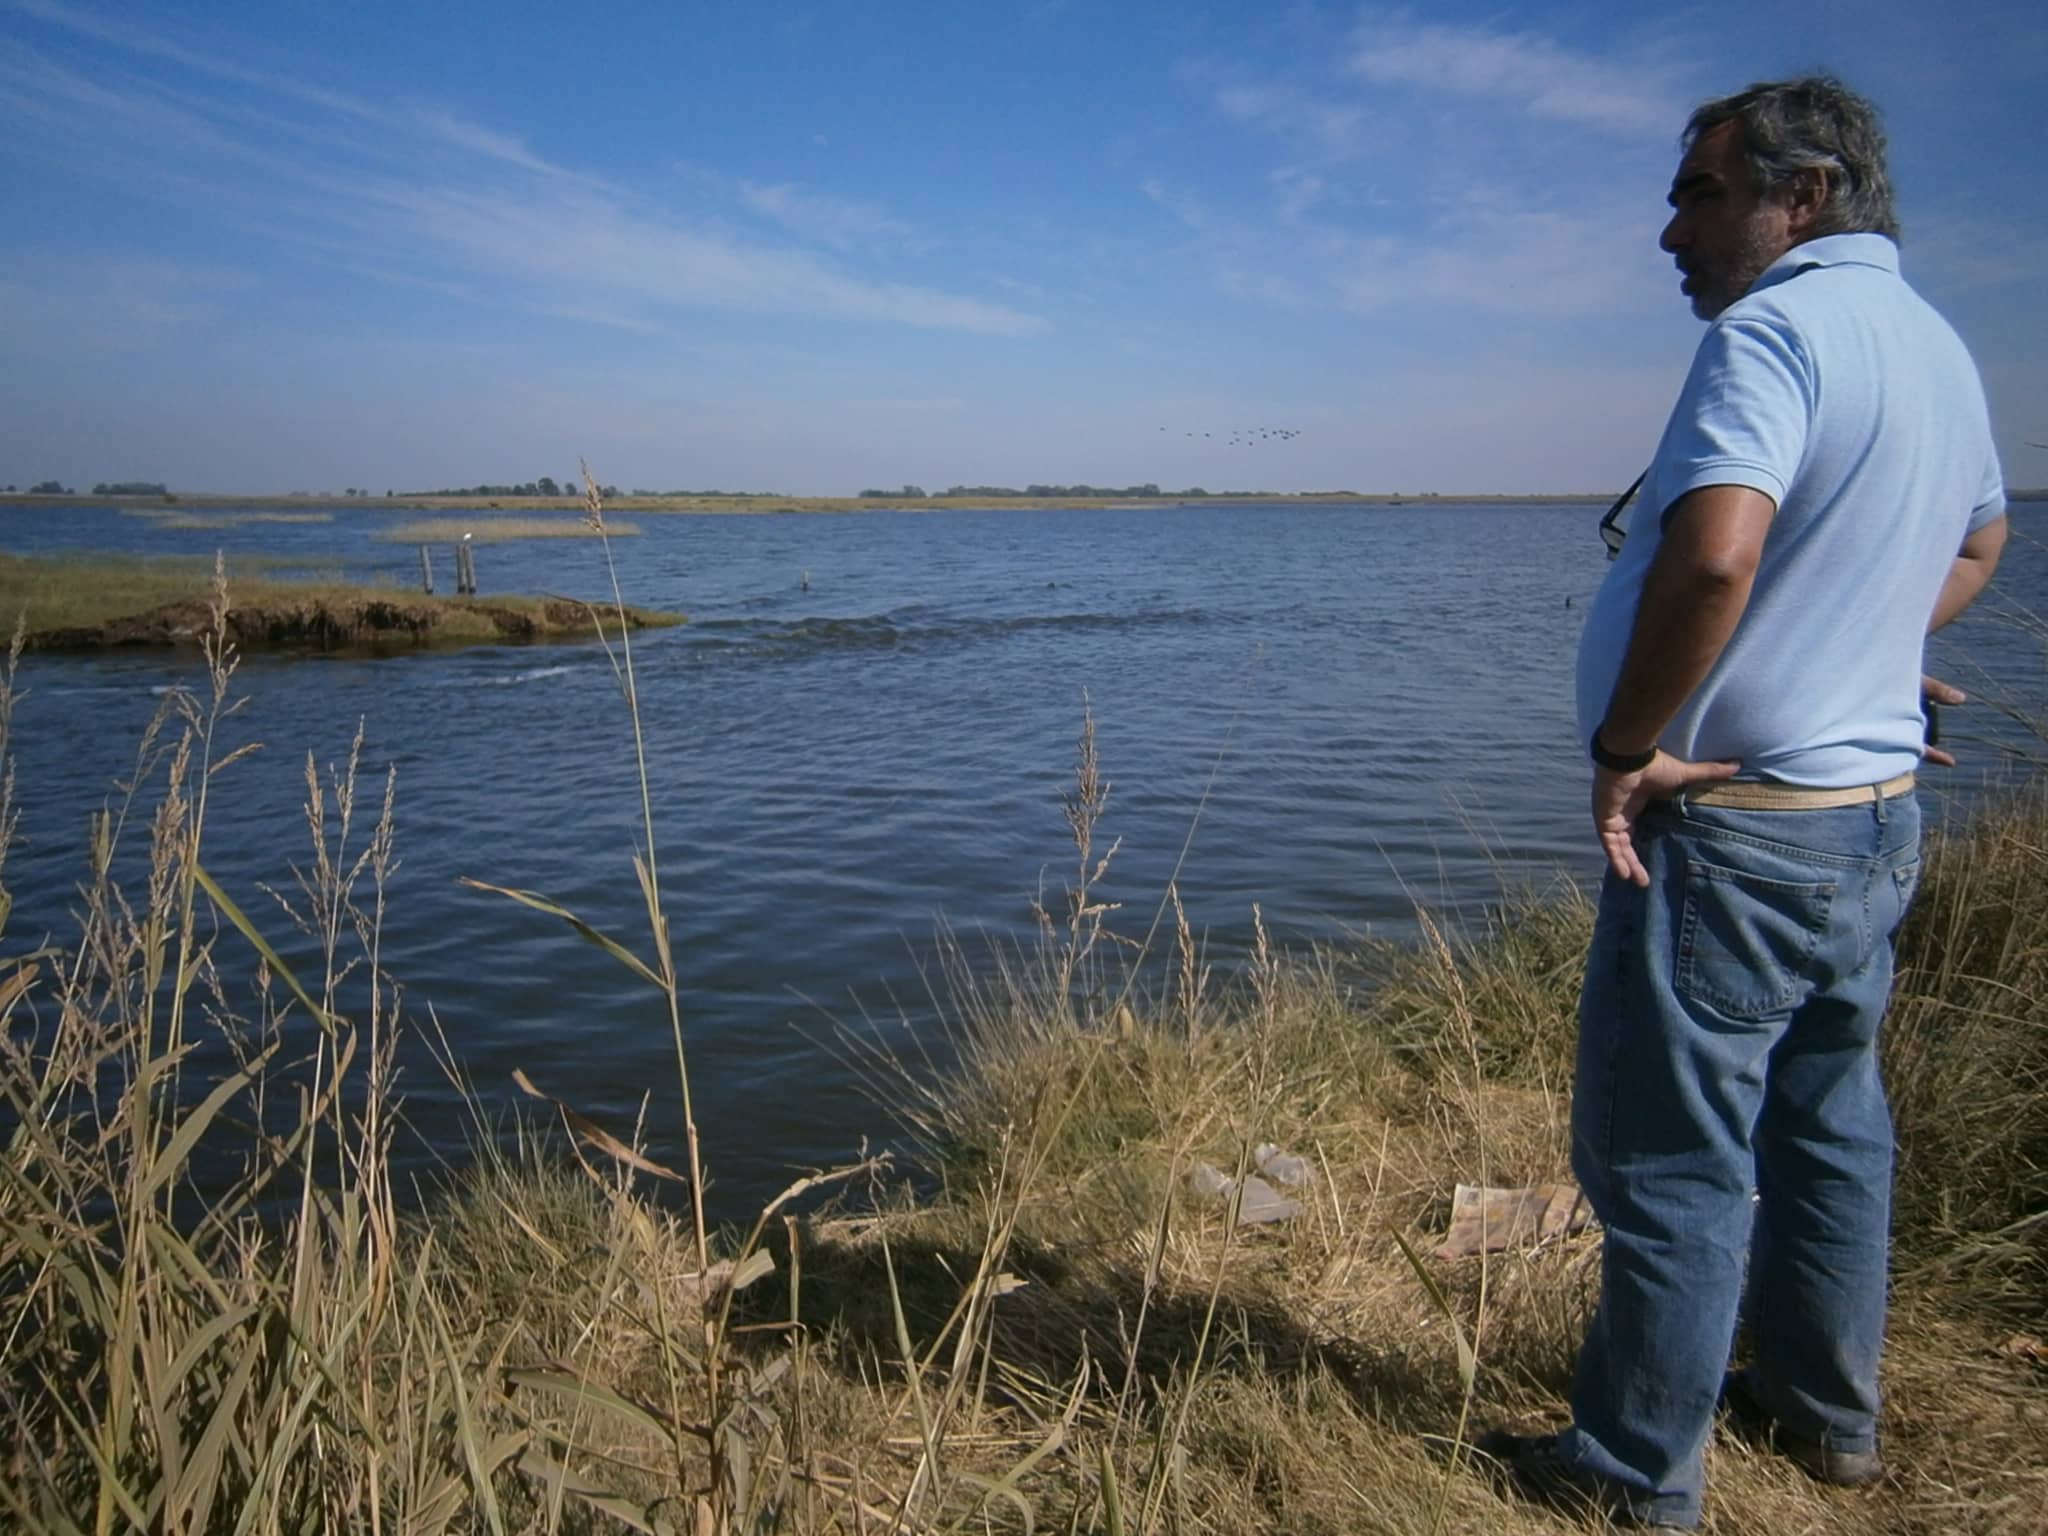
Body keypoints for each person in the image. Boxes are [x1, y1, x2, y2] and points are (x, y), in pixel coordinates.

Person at [1478, 76, 2008, 1530]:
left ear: (1805, 197)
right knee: (1830, 1125)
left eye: (1699, 196)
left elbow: (1714, 556)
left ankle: (1632, 1474)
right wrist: (1866, 650)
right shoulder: (1935, 345)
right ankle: (1824, 1417)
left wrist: (1627, 743)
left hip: (1741, 835)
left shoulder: (1774, 331)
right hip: (1871, 820)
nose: (1671, 233)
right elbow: (1981, 541)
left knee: (1668, 1161)